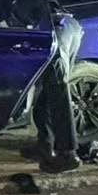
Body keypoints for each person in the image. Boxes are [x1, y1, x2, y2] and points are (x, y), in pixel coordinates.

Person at [25, 10, 83, 173]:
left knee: (59, 94)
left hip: (55, 36)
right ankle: (45, 145)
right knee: (48, 93)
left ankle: (68, 154)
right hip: (68, 27)